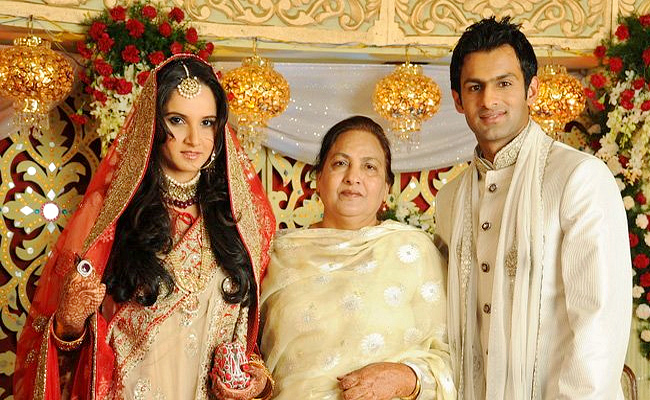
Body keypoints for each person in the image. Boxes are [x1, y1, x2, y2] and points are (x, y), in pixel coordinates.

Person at [14, 55, 276, 400]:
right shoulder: (110, 215)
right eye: (177, 120)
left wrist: (258, 381)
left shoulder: (239, 220)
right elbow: (62, 348)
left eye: (207, 123)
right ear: (152, 124)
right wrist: (69, 324)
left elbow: (251, 336)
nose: (194, 139)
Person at [435, 16, 632, 399]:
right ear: (458, 100)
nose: (488, 100)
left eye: (504, 83)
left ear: (531, 90)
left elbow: (597, 322)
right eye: (475, 87)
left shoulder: (578, 178)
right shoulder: (450, 199)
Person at [260, 115, 456, 400]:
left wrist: (407, 378)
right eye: (340, 163)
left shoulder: (413, 252)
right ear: (318, 179)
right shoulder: (276, 254)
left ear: (386, 188)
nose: (353, 177)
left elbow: (454, 355)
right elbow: (247, 352)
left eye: (369, 166)